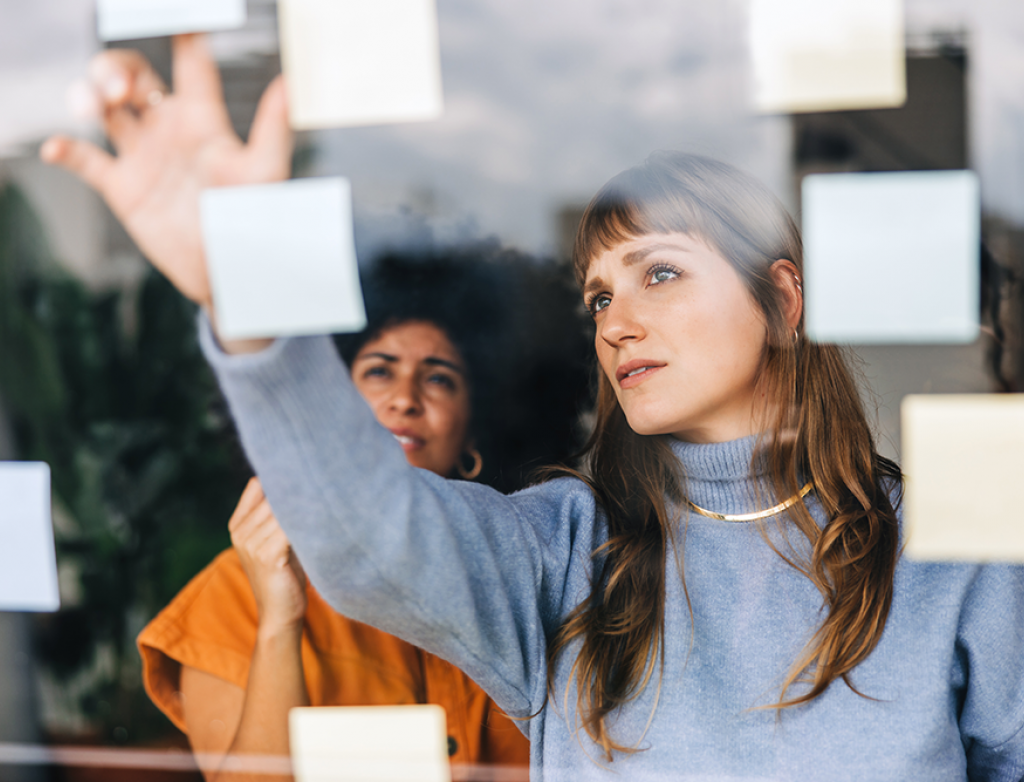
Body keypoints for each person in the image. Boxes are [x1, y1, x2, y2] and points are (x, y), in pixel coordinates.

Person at [45, 35, 1024, 781]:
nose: (617, 322)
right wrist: (246, 300)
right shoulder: (565, 549)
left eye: (660, 273)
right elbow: (364, 530)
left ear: (781, 300)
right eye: (599, 296)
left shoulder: (943, 551)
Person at [134, 251, 547, 781]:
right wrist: (279, 622)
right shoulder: (232, 596)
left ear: (472, 437)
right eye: (379, 371)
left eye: (439, 378)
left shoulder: (524, 580)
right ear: (329, 413)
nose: (405, 397)